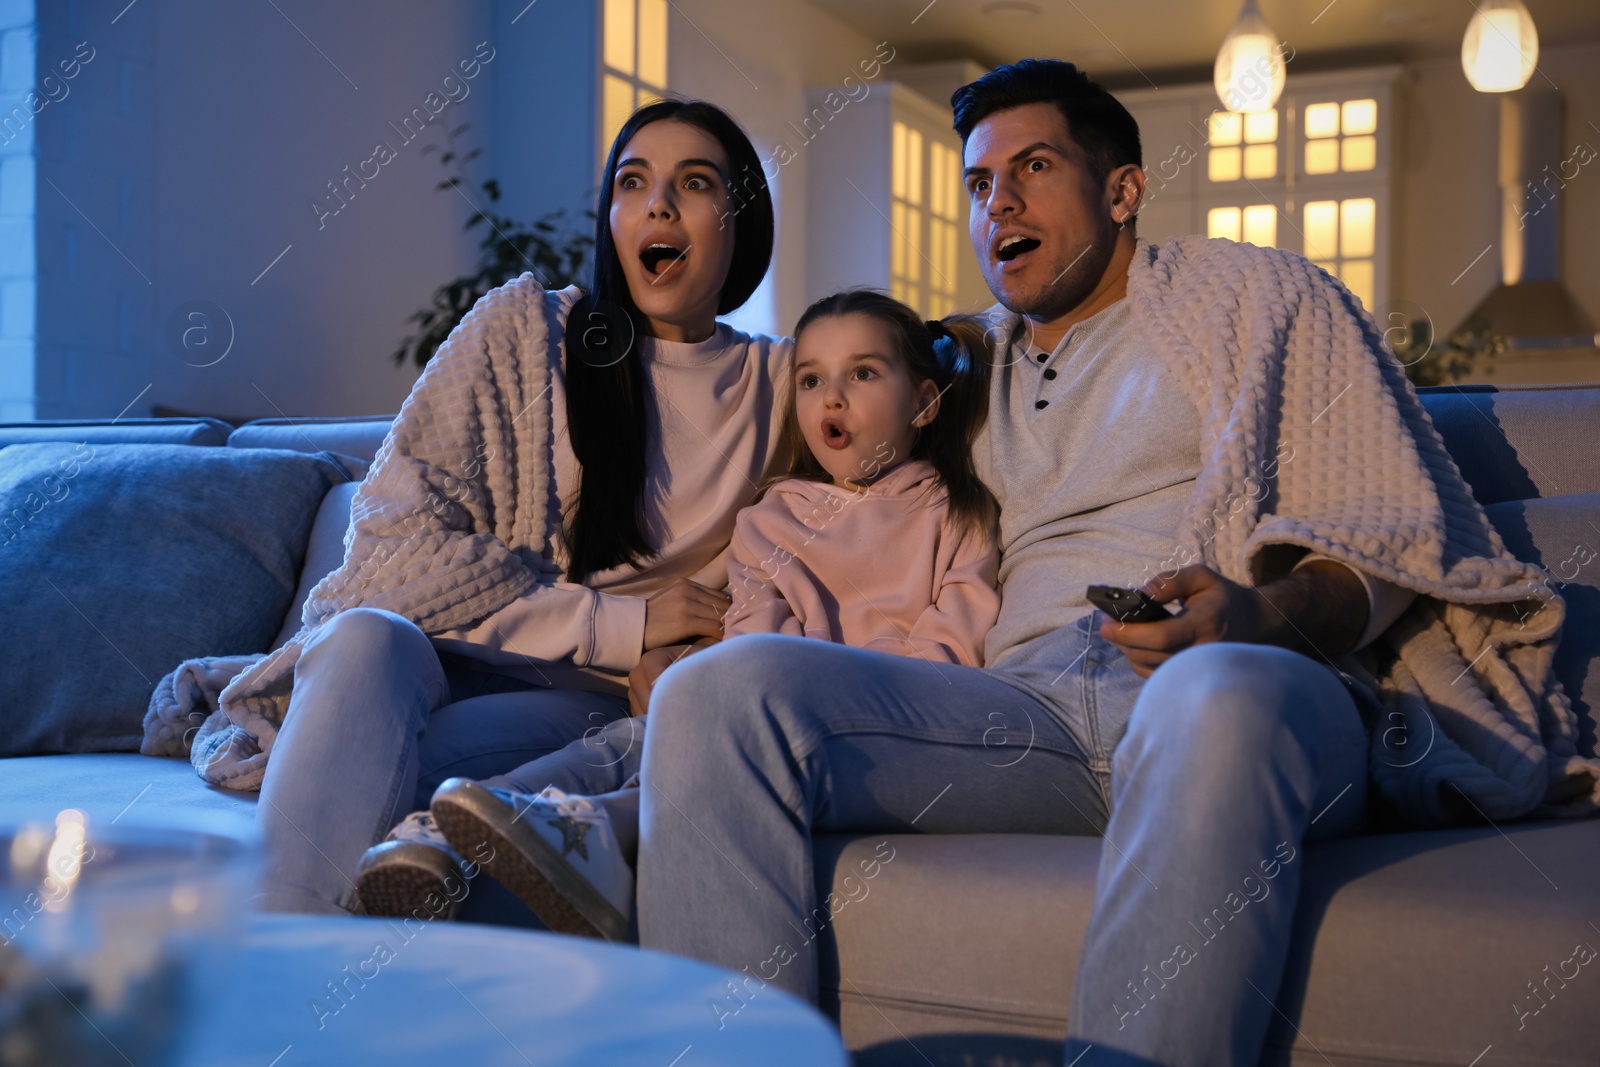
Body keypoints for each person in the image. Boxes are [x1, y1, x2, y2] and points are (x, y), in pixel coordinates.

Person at [630, 60, 1597, 1067]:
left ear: (1123, 189)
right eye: (977, 182)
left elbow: (1387, 532)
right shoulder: (963, 371)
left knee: (1212, 691)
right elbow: (819, 437)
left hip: (1243, 683)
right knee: (717, 695)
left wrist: (1255, 616)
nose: (996, 200)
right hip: (1024, 710)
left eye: (1033, 166)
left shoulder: (1255, 300)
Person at [141, 98, 790, 918]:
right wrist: (625, 623)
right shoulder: (524, 334)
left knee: (390, 781)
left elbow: (920, 386)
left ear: (742, 222)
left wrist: (702, 664)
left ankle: (294, 988)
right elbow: (389, 556)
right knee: (359, 633)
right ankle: (278, 973)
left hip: (589, 711)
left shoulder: (787, 387)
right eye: (633, 182)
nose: (657, 203)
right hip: (438, 671)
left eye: (694, 183)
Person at [388, 289, 1001, 940]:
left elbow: (950, 656)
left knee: (695, 747)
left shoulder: (955, 515)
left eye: (864, 373)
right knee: (628, 740)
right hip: (755, 704)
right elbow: (752, 639)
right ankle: (460, 820)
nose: (833, 397)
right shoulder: (771, 519)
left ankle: (592, 827)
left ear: (926, 403)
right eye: (812, 379)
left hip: (870, 733)